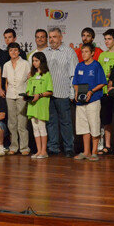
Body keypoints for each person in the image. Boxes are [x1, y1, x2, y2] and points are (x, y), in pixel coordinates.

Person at [45, 28, 78, 157]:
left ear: (61, 38)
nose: (52, 39)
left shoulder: (69, 52)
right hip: (48, 94)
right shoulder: (45, 52)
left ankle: (69, 148)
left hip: (63, 93)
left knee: (66, 122)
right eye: (50, 37)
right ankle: (53, 147)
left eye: (54, 37)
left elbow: (73, 75)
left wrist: (71, 92)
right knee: (51, 122)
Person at [73, 44, 107, 161]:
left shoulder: (96, 65)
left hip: (93, 100)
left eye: (86, 52)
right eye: (82, 52)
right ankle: (86, 151)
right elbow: (75, 82)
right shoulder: (79, 65)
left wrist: (91, 92)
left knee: (94, 124)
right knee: (83, 127)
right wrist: (77, 92)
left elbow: (102, 82)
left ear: (92, 53)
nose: (84, 54)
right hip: (81, 101)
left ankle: (94, 151)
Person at [2, 42, 31, 155]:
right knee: (12, 122)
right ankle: (13, 146)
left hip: (22, 95)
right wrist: (7, 91)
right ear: (8, 52)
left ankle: (24, 148)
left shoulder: (25, 63)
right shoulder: (6, 65)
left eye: (15, 50)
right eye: (11, 50)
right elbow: (6, 82)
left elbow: (29, 79)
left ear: (19, 51)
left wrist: (27, 94)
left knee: (22, 122)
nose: (13, 52)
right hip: (10, 95)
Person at [97, 29, 114, 155]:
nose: (107, 41)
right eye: (105, 39)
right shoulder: (102, 55)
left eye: (109, 39)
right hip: (104, 92)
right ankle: (107, 146)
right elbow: (99, 72)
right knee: (106, 121)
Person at [26, 52, 53, 159]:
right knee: (35, 128)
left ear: (42, 61)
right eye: (33, 61)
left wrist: (39, 95)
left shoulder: (46, 75)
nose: (34, 63)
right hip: (32, 105)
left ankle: (43, 151)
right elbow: (28, 90)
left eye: (36, 61)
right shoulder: (32, 75)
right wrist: (27, 96)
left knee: (42, 127)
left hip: (41, 105)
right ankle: (38, 151)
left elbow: (50, 91)